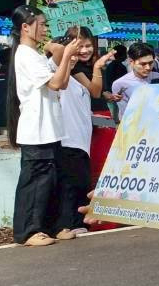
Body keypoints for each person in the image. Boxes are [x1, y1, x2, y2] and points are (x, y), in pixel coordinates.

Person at [7, 5, 80, 247]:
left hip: (50, 127)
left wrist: (66, 58)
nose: (45, 28)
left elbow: (63, 81)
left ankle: (53, 225)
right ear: (25, 28)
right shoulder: (25, 55)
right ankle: (28, 231)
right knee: (36, 181)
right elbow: (57, 84)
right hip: (36, 130)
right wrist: (67, 55)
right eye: (41, 24)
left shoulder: (36, 55)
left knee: (53, 178)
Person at [48, 27, 114, 239]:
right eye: (78, 46)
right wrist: (64, 48)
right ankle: (68, 224)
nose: (83, 51)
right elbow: (54, 48)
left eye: (87, 45)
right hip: (68, 139)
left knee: (79, 183)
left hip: (80, 140)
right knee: (71, 184)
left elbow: (94, 91)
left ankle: (75, 223)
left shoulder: (76, 72)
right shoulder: (59, 69)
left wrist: (96, 66)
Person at [109, 41, 159, 116]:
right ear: (131, 62)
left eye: (150, 63)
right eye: (143, 64)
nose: (148, 67)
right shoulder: (120, 84)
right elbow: (126, 113)